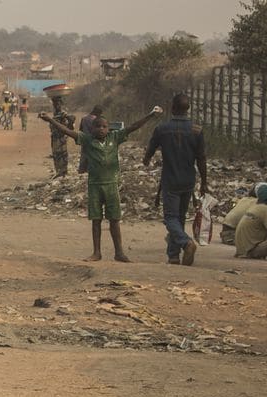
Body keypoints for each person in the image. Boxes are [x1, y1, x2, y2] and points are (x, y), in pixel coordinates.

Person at [42, 106, 161, 262]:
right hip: (95, 185)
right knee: (96, 220)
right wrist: (50, 120)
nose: (101, 129)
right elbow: (67, 132)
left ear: (108, 128)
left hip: (111, 185)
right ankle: (96, 252)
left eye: (104, 127)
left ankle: (119, 252)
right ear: (91, 129)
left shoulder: (114, 137)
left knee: (114, 220)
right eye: (97, 126)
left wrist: (151, 115)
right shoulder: (87, 140)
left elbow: (133, 127)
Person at [143, 92, 208, 266]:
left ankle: (186, 243)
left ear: (172, 108)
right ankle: (173, 255)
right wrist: (204, 182)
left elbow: (150, 148)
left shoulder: (162, 129)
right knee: (179, 217)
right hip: (188, 180)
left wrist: (146, 159)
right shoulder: (196, 130)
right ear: (188, 109)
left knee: (170, 218)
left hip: (170, 180)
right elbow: (201, 158)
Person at [46, 92, 74, 177]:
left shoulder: (63, 113)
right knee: (56, 154)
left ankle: (63, 172)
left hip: (61, 137)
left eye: (58, 103)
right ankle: (58, 171)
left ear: (61, 104)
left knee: (62, 154)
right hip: (54, 137)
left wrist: (70, 121)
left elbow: (70, 124)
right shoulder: (55, 114)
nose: (56, 105)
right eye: (54, 103)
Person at [77, 105, 104, 175]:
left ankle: (81, 171)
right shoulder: (96, 120)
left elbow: (81, 130)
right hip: (93, 140)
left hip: (84, 140)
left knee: (84, 156)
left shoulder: (84, 118)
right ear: (98, 113)